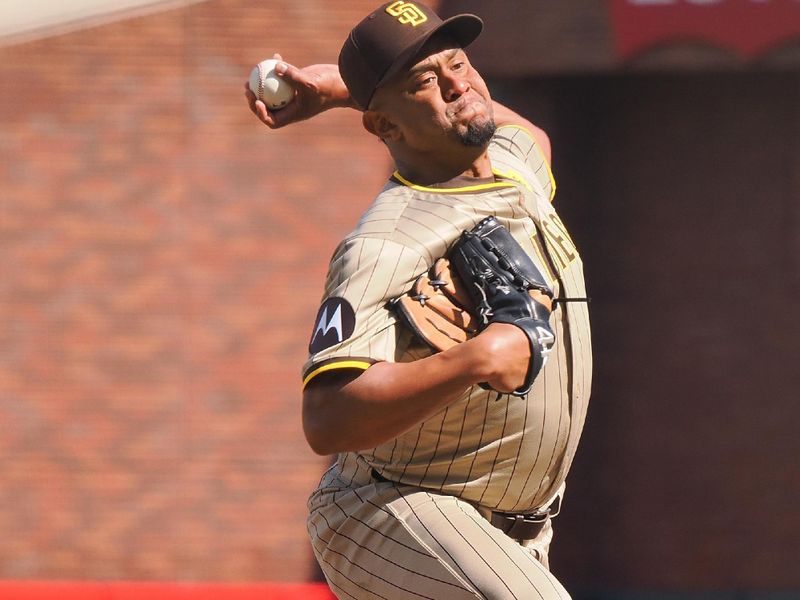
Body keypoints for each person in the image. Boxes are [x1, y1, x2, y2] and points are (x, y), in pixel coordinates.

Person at [245, 2, 592, 598]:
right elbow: (325, 418)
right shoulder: (385, 242)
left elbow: (531, 136)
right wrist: (473, 360)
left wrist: (341, 89)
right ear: (385, 128)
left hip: (511, 532)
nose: (459, 83)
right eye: (425, 81)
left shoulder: (514, 167)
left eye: (458, 62)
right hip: (391, 510)